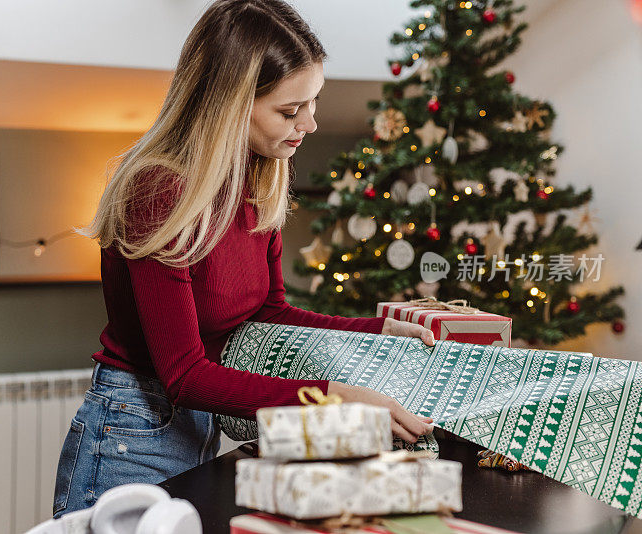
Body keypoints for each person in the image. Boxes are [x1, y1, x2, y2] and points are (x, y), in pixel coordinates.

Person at [52, 0, 435, 518]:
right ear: (229, 104)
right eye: (289, 110)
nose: (310, 124)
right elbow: (185, 374)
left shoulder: (257, 179)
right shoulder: (159, 190)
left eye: (313, 102)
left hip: (202, 424)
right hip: (133, 433)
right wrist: (330, 397)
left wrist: (376, 330)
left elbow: (268, 312)